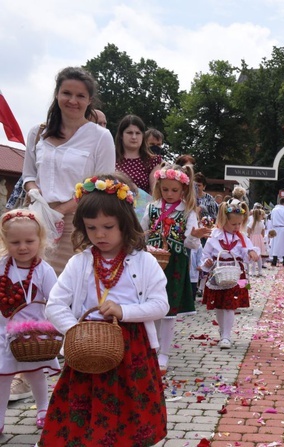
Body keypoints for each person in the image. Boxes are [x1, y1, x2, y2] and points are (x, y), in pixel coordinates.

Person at [40, 174, 168, 446]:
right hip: (87, 348)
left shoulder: (144, 262)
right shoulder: (79, 263)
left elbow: (160, 305)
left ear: (124, 223)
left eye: (108, 226)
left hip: (131, 348)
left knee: (129, 409)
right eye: (91, 227)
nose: (100, 234)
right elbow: (55, 304)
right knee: (84, 408)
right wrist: (76, 332)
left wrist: (124, 312)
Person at [22, 66, 115, 275]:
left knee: (66, 287)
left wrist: (61, 211)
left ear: (89, 100)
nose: (73, 100)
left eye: (80, 95)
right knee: (30, 283)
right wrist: (35, 194)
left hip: (78, 223)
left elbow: (103, 185)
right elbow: (28, 175)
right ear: (57, 95)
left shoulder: (101, 137)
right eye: (67, 93)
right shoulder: (38, 133)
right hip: (37, 220)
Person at [141, 164, 204, 373]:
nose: (169, 194)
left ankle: (164, 353)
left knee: (168, 311)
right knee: (151, 308)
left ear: (183, 190)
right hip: (151, 262)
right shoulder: (151, 208)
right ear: (159, 187)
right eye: (165, 189)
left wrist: (195, 236)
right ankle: (153, 348)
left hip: (175, 264)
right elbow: (142, 232)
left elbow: (190, 244)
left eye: (174, 190)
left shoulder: (187, 211)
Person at [0, 210, 59, 432]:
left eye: (29, 241)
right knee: (2, 376)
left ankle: (43, 408)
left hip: (31, 336)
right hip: (3, 332)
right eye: (15, 242)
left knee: (35, 373)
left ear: (40, 240)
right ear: (5, 241)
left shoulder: (44, 270)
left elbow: (55, 300)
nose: (22, 247)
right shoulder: (2, 265)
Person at [200, 199, 260, 349]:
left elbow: (247, 250)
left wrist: (252, 253)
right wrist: (207, 262)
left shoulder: (242, 238)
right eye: (234, 224)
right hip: (218, 273)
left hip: (235, 274)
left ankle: (227, 335)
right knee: (219, 306)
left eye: (239, 224)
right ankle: (222, 330)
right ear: (223, 220)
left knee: (230, 306)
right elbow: (205, 254)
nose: (237, 227)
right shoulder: (214, 236)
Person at [115, 115, 162, 194]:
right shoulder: (110, 157)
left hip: (142, 204)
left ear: (143, 136)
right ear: (121, 135)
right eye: (129, 133)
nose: (134, 137)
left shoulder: (153, 161)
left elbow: (155, 192)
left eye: (138, 133)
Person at [269, 198, 284, 266]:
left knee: (275, 244)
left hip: (276, 227)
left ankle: (274, 259)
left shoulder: (274, 210)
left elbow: (272, 219)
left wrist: (272, 227)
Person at [247, 207, 267, 276]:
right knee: (259, 256)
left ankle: (252, 271)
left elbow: (248, 231)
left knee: (253, 256)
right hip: (259, 238)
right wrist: (261, 237)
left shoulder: (251, 223)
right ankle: (260, 271)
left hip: (252, 238)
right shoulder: (261, 223)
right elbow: (263, 233)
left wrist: (249, 237)